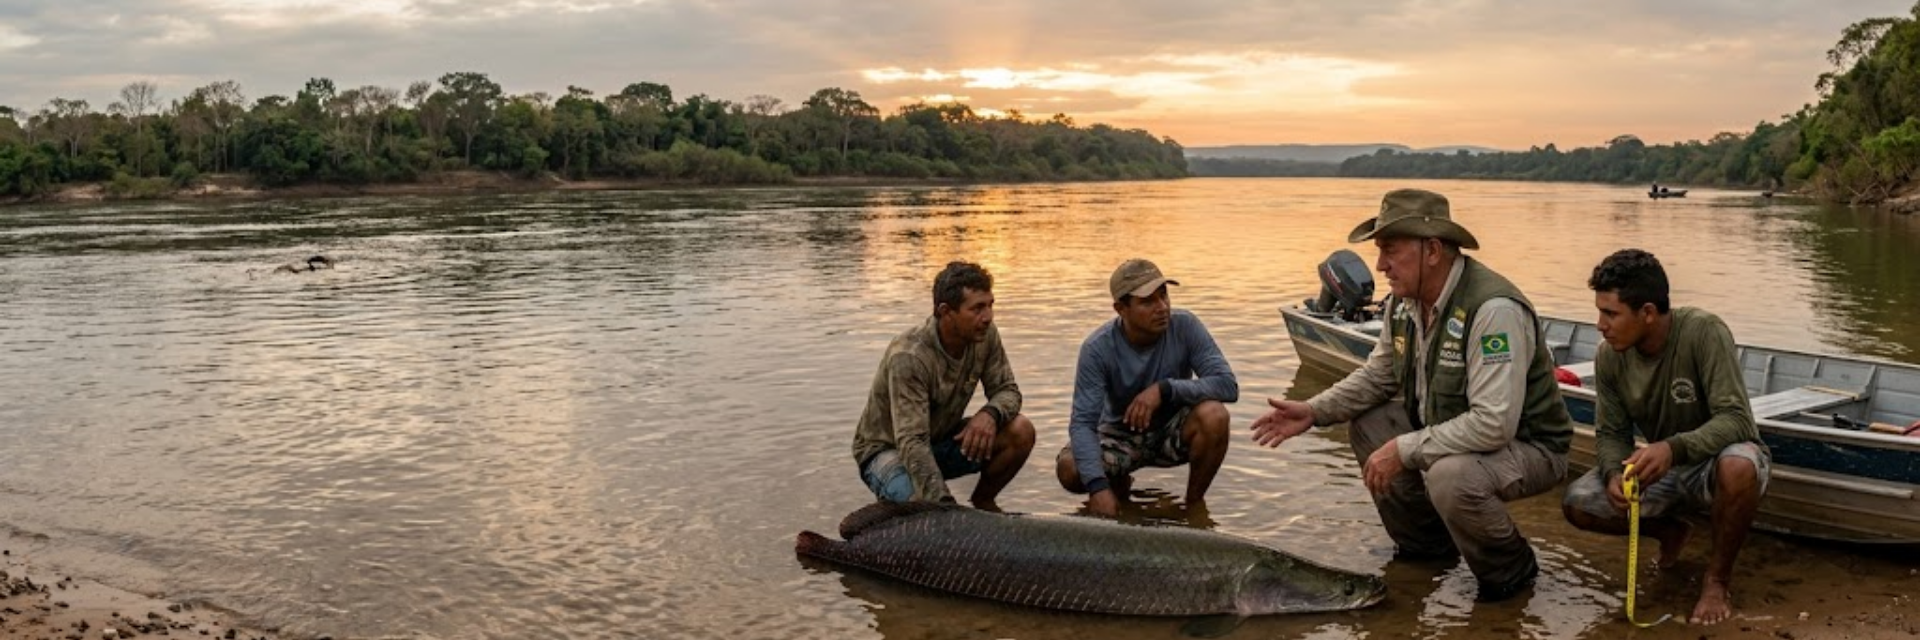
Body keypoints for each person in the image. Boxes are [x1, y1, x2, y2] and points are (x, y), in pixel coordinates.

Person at [1249, 188, 1572, 602]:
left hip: (1531, 447)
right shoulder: (1404, 304)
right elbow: (1379, 375)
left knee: (1452, 477)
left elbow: (1494, 424)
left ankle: (1511, 576)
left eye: (1390, 251)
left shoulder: (1493, 310)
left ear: (1433, 250)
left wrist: (1403, 450)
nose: (1380, 266)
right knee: (1370, 424)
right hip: (1459, 430)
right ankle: (1428, 552)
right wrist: (1314, 410)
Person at [1561, 249, 1767, 625]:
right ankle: (1672, 531)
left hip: (1713, 462)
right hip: (1666, 468)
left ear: (1649, 313)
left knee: (1739, 465)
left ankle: (1716, 580)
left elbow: (1738, 421)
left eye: (1611, 313)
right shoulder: (1610, 357)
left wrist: (1673, 448)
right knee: (1578, 503)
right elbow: (1611, 432)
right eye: (1599, 312)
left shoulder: (1704, 332)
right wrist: (1611, 474)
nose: (1600, 325)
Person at [1055, 258, 1237, 518]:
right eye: (1147, 301)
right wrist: (1097, 488)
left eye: (1164, 296)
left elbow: (1227, 385)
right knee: (1070, 468)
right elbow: (1082, 423)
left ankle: (1193, 507)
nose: (1162, 307)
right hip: (1119, 435)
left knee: (1215, 415)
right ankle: (1117, 486)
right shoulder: (1097, 348)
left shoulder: (1185, 325)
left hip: (1171, 431)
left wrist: (1164, 390)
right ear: (1121, 309)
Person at [852, 261, 1036, 510]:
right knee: (925, 516)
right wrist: (943, 505)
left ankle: (983, 505)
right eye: (977, 308)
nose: (988, 317)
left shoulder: (985, 335)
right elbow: (912, 442)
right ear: (945, 311)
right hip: (889, 451)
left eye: (990, 305)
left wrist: (989, 414)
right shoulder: (909, 356)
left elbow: (1008, 390)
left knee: (1020, 431)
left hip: (939, 439)